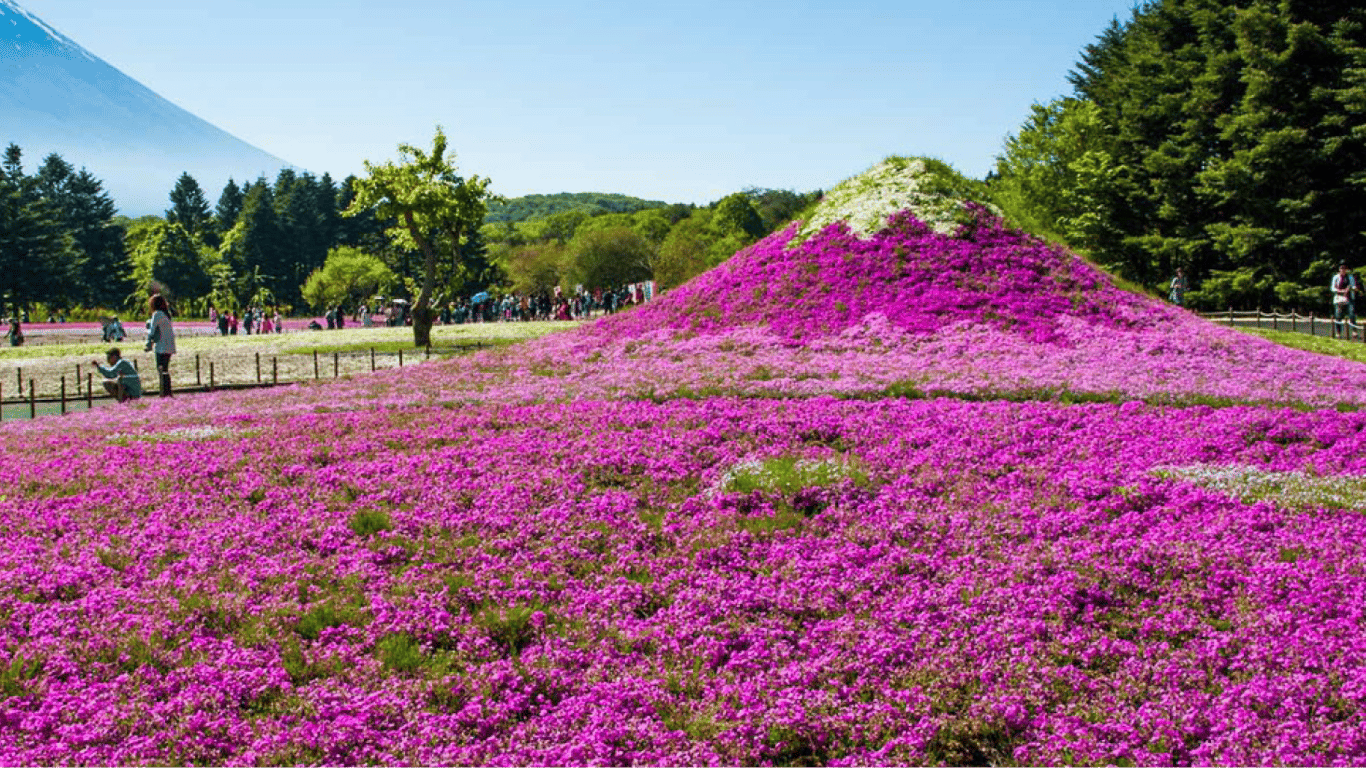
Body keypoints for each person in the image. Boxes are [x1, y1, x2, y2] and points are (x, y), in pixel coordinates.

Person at [144, 294, 176, 397]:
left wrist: (148, 344)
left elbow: (152, 331)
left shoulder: (157, 314)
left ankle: (164, 393)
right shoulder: (166, 314)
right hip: (169, 345)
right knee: (165, 370)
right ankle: (167, 392)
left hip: (162, 346)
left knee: (161, 369)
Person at [1332, 263, 1359, 339]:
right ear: (1339, 269)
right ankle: (1338, 332)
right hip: (1339, 298)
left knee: (1352, 314)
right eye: (1341, 268)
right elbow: (1332, 288)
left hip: (1349, 297)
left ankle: (1354, 331)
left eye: (1344, 268)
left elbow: (1353, 286)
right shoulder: (1336, 277)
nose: (1343, 270)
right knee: (1338, 315)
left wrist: (1352, 288)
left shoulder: (1350, 277)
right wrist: (1341, 291)